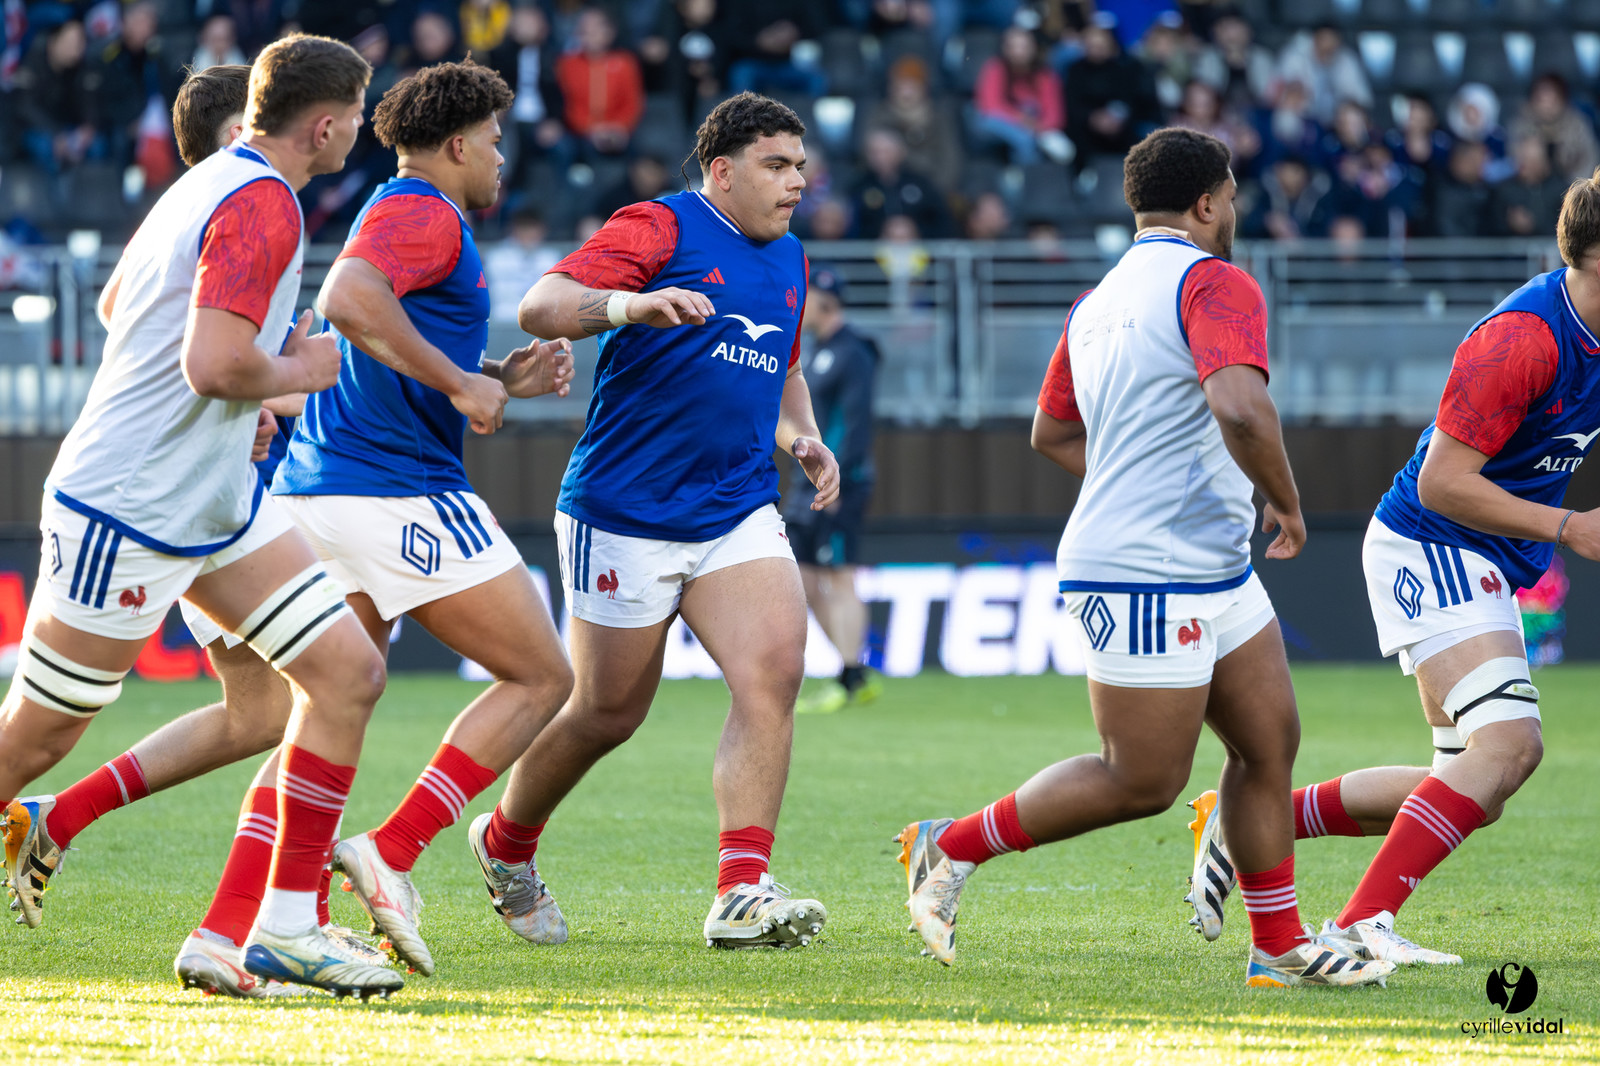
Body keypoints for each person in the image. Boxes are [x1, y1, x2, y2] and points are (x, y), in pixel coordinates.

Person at [891, 128, 1393, 988]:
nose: (1233, 212)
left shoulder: (1096, 302)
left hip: (1208, 566)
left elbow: (1052, 432)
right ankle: (951, 844)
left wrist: (1134, 480)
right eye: (1231, 198)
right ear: (1207, 202)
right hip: (1145, 572)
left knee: (1268, 743)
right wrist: (1285, 499)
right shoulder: (1215, 280)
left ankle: (1278, 946)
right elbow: (1241, 408)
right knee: (1143, 779)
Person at [0, 34, 404, 999]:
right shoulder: (263, 199)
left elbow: (120, 308)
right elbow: (212, 363)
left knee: (342, 675)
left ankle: (283, 927)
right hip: (129, 510)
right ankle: (52, 820)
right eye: (357, 113)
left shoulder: (211, 181)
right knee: (34, 739)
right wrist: (293, 371)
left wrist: (240, 401)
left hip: (211, 505)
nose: (361, 128)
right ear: (324, 124)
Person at [1185, 169, 1600, 967]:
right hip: (1434, 538)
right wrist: (1568, 526)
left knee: (1469, 781)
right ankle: (1358, 924)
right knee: (1511, 745)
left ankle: (1246, 822)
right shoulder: (1522, 338)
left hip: (1478, 551)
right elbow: (1443, 483)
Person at [488, 91, 839, 951]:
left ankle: (741, 890)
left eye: (800, 166)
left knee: (773, 674)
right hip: (625, 510)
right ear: (721, 171)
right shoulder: (660, 226)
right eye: (776, 165)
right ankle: (505, 844)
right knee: (607, 713)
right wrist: (631, 306)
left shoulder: (791, 256)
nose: (797, 181)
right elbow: (539, 306)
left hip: (736, 506)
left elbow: (784, 368)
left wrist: (803, 437)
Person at [266, 58, 576, 979]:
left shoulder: (397, 211)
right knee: (541, 676)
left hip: (322, 486)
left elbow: (379, 337)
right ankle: (393, 850)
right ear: (457, 145)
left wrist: (497, 377)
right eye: (493, 142)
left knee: (328, 710)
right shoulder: (426, 211)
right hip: (393, 489)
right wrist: (463, 384)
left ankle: (289, 917)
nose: (502, 158)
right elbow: (348, 300)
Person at [788, 265, 882, 715]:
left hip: (840, 482)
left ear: (824, 301)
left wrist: (837, 476)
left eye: (806, 297)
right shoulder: (817, 351)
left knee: (839, 574)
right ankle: (851, 671)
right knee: (803, 580)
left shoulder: (854, 352)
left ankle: (851, 676)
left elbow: (857, 422)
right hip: (807, 483)